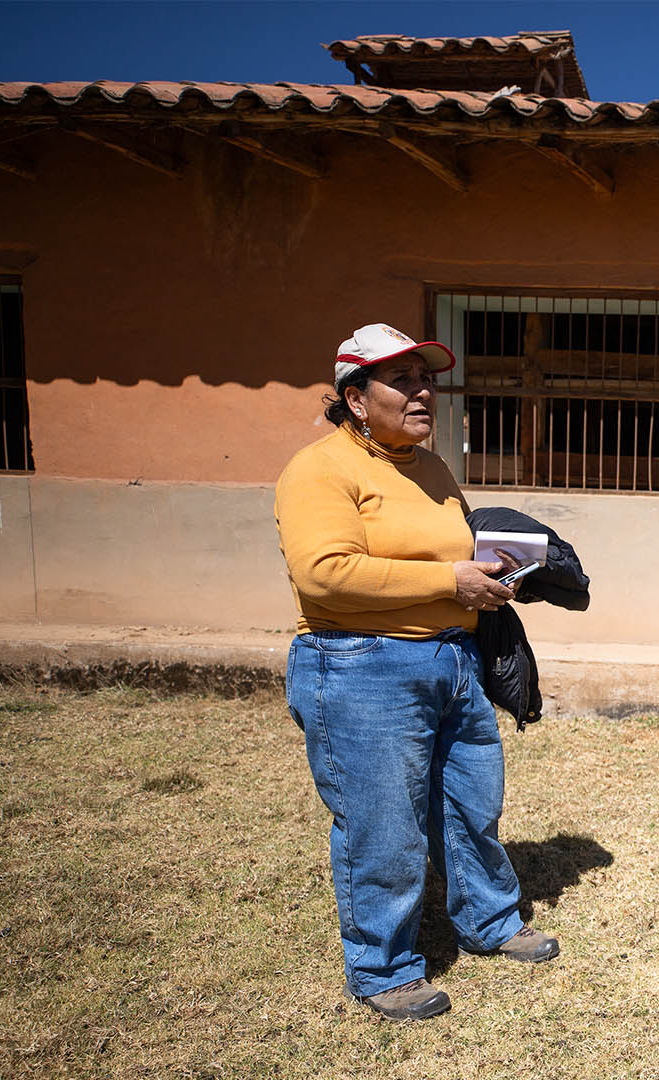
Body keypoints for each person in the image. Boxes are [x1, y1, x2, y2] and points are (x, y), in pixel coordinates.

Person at [275, 323, 559, 1022]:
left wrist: (497, 573)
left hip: (451, 660)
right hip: (359, 665)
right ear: (355, 398)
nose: (421, 391)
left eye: (424, 379)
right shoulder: (319, 470)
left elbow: (453, 555)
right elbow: (325, 574)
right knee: (385, 825)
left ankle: (489, 921)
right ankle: (383, 967)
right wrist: (447, 582)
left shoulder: (429, 468)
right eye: (400, 381)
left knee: (470, 802)